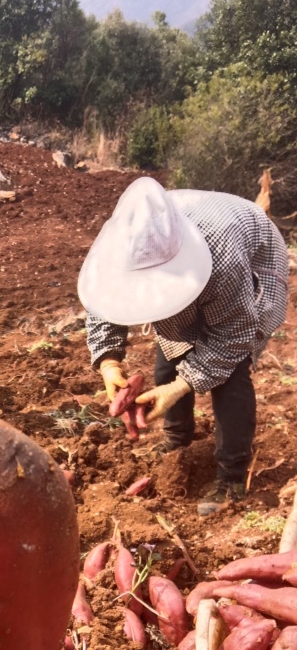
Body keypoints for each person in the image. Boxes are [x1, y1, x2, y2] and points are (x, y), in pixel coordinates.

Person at [78, 176, 289, 517]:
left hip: (253, 251)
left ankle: (232, 475)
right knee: (170, 356)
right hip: (199, 245)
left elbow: (233, 336)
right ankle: (177, 439)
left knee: (230, 374)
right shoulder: (120, 243)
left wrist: (180, 387)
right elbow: (105, 301)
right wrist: (109, 363)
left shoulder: (222, 255)